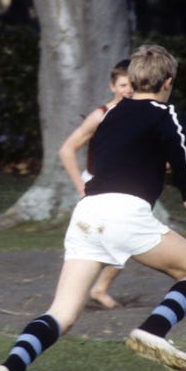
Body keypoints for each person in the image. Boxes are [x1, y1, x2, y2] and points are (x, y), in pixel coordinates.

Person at [0, 44, 186, 371]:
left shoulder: (110, 114)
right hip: (125, 212)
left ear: (134, 78)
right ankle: (153, 329)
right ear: (167, 82)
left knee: (61, 313)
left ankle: (10, 368)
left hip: (87, 212)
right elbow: (180, 155)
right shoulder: (166, 112)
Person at [57, 59, 133, 309]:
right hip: (99, 189)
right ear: (113, 86)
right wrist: (80, 186)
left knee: (126, 240)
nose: (128, 89)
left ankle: (99, 289)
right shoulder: (100, 116)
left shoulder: (141, 115)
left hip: (126, 189)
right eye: (123, 84)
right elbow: (67, 149)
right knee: (97, 242)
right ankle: (74, 297)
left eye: (132, 84)